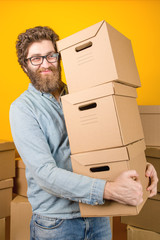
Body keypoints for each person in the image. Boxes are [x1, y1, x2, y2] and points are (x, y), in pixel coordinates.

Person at [9, 26, 158, 240]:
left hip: (99, 214)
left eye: (51, 56)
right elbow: (44, 173)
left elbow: (113, 141)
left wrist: (141, 168)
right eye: (36, 59)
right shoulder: (23, 108)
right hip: (56, 224)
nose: (45, 64)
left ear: (59, 58)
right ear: (24, 66)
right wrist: (109, 190)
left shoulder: (85, 93)